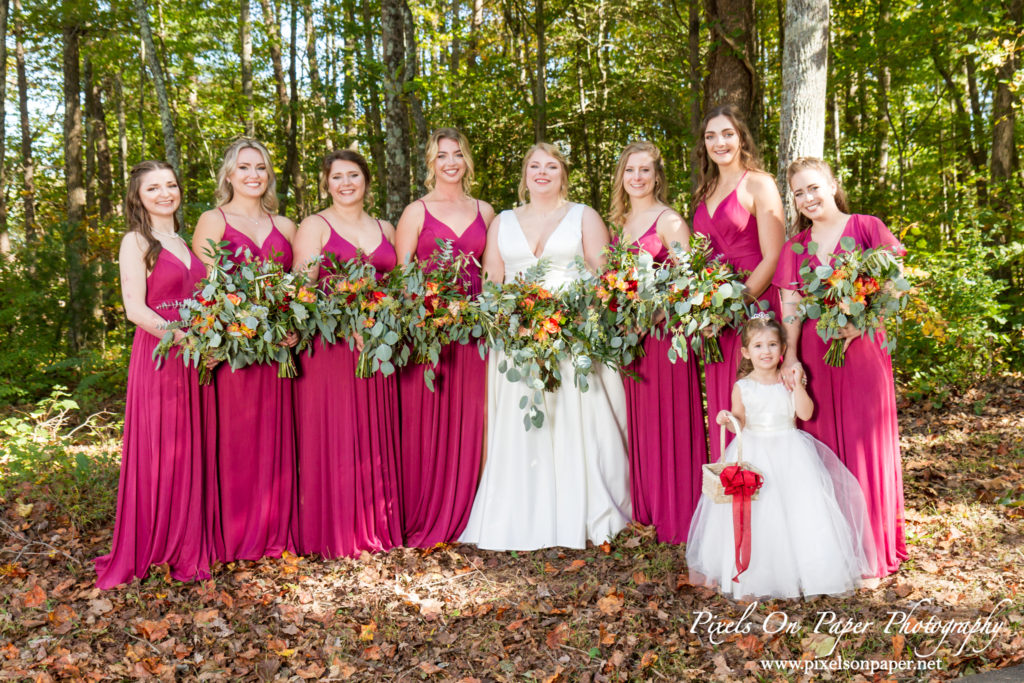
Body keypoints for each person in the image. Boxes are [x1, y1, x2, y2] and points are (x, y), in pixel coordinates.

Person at [459, 142, 631, 551]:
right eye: (534, 165)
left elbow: (602, 275)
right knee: (522, 426)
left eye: (550, 166)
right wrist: (511, 322)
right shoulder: (502, 220)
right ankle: (520, 515)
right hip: (516, 340)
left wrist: (571, 317)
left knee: (571, 421)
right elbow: (494, 281)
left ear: (562, 173)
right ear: (525, 174)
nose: (542, 172)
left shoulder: (583, 216)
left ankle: (581, 511)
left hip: (571, 335)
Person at [774, 156, 907, 578]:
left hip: (864, 347)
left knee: (865, 443)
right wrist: (791, 355)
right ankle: (832, 552)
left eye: (814, 187)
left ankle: (872, 552)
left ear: (832, 183)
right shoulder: (796, 247)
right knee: (825, 444)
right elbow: (791, 304)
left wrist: (863, 319)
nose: (808, 197)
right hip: (817, 351)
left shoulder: (867, 227)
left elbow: (894, 282)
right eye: (799, 192)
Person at [686, 315, 877, 599]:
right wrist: (726, 418)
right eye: (759, 345)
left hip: (790, 450)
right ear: (746, 353)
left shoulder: (788, 379)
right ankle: (760, 575)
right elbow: (739, 418)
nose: (766, 351)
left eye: (773, 344)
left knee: (800, 510)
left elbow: (805, 414)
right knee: (760, 514)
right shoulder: (743, 385)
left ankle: (808, 571)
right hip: (754, 451)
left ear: (783, 350)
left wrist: (798, 385)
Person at [95, 161, 210, 588]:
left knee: (190, 448)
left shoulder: (182, 239)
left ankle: (186, 539)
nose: (165, 194)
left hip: (197, 355)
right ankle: (157, 542)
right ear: (138, 197)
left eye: (171, 185)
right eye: (153, 188)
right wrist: (183, 338)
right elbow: (135, 310)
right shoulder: (136, 241)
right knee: (163, 447)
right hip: (162, 353)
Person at [290, 149, 403, 557]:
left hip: (378, 343)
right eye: (336, 177)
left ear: (366, 180)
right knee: (337, 431)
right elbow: (302, 291)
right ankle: (336, 531)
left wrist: (380, 319)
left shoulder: (386, 226)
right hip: (331, 344)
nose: (345, 183)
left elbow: (397, 284)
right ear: (326, 183)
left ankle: (377, 524)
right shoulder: (314, 226)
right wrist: (346, 320)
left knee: (373, 432)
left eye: (353, 175)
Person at [192, 138, 298, 563]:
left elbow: (296, 291)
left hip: (276, 353)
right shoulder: (213, 221)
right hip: (234, 352)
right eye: (243, 167)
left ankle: (275, 530)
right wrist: (214, 339)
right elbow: (203, 289)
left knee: (277, 440)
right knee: (235, 442)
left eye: (260, 167)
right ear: (229, 175)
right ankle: (234, 534)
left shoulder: (287, 226)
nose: (253, 174)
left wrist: (292, 329)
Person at [394, 128, 494, 547]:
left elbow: (492, 276)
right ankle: (426, 507)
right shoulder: (415, 212)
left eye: (457, 154)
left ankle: (473, 512)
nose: (450, 162)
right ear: (430, 163)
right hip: (429, 330)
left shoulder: (486, 211)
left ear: (466, 160)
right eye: (441, 156)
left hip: (473, 331)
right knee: (428, 417)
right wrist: (422, 318)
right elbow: (402, 277)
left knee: (475, 418)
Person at [609, 141, 707, 543]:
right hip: (633, 340)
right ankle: (647, 507)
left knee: (670, 417)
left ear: (656, 176)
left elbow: (691, 281)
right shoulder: (620, 224)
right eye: (630, 170)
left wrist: (657, 312)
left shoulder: (669, 221)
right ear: (621, 177)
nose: (637, 177)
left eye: (645, 170)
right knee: (641, 421)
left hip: (665, 337)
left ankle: (678, 512)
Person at [692, 104, 785, 463]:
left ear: (741, 137)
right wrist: (706, 308)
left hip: (754, 308)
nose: (720, 142)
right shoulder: (705, 191)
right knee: (728, 407)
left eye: (727, 133)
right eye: (711, 136)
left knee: (762, 407)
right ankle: (733, 495)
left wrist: (735, 304)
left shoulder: (759, 183)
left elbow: (774, 255)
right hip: (716, 318)